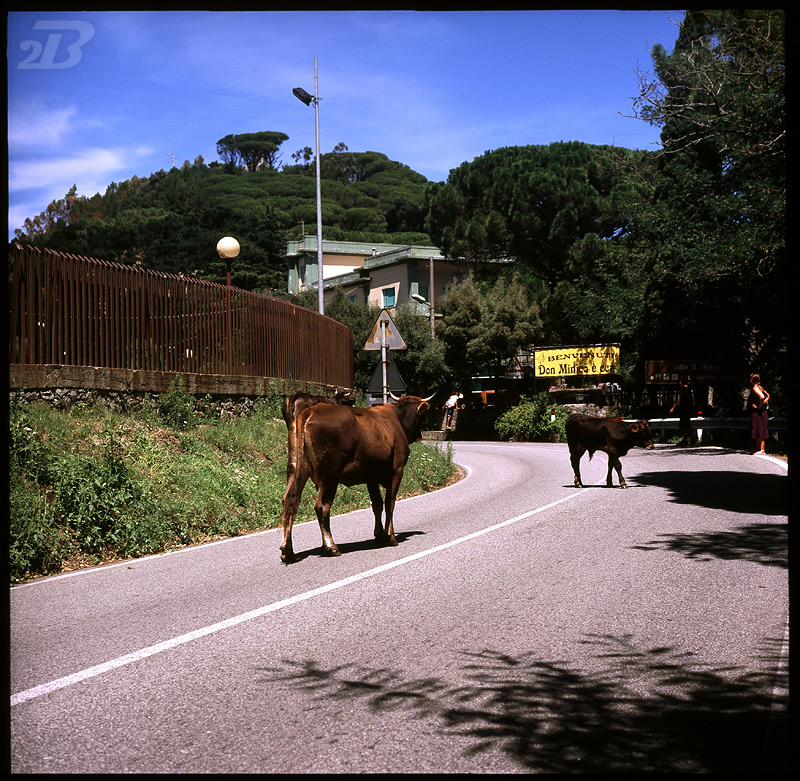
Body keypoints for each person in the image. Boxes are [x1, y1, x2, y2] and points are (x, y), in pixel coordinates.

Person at [747, 373, 770, 454]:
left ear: (752, 380)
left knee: (759, 429)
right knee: (760, 429)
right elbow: (767, 395)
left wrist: (759, 406)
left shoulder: (755, 388)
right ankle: (758, 449)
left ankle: (762, 450)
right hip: (763, 412)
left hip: (758, 412)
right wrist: (765, 402)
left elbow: (762, 397)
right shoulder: (761, 387)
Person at [670, 377, 694, 445]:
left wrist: (673, 408)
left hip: (684, 409)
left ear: (682, 382)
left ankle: (686, 439)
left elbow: (680, 400)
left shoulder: (683, 389)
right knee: (687, 423)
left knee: (683, 425)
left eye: (680, 381)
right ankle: (688, 439)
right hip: (688, 409)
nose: (679, 383)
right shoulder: (689, 389)